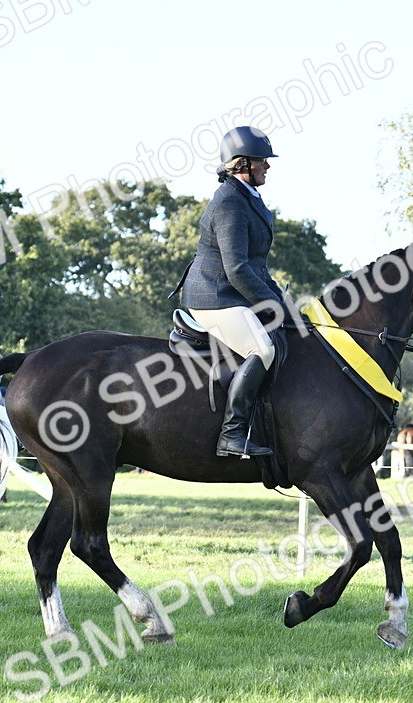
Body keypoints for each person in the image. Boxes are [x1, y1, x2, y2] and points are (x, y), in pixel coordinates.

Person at [180, 125, 290, 458]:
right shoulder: (230, 201)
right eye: (261, 160)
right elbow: (238, 270)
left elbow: (257, 267)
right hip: (213, 298)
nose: (267, 165)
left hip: (231, 294)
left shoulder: (248, 197)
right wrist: (271, 305)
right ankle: (232, 434)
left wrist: (284, 304)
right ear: (242, 163)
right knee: (263, 349)